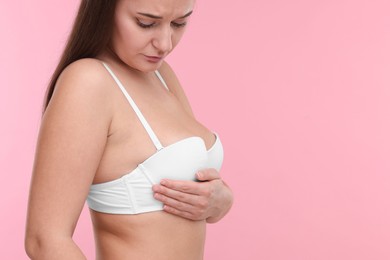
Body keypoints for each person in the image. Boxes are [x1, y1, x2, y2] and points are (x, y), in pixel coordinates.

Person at [25, 0, 233, 259]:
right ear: (105, 11)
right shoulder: (88, 81)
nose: (165, 44)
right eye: (146, 23)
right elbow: (44, 239)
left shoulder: (160, 75)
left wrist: (221, 201)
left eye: (179, 23)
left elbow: (193, 183)